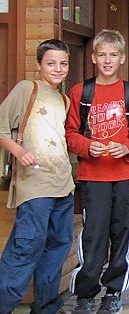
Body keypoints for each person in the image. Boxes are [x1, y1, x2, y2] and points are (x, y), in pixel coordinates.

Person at [65, 30, 129, 314]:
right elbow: (71, 133)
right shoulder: (81, 92)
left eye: (113, 55)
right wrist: (88, 147)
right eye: (102, 55)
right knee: (93, 235)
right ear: (93, 58)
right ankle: (85, 293)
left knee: (122, 234)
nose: (107, 60)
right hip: (93, 176)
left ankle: (114, 292)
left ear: (122, 58)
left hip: (125, 176)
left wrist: (126, 148)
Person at [0, 40, 73, 314]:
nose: (58, 68)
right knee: (26, 247)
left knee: (57, 248)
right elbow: (1, 128)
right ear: (39, 64)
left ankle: (46, 307)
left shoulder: (64, 100)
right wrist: (19, 152)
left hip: (63, 186)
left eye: (63, 63)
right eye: (51, 63)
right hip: (35, 187)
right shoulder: (26, 89)